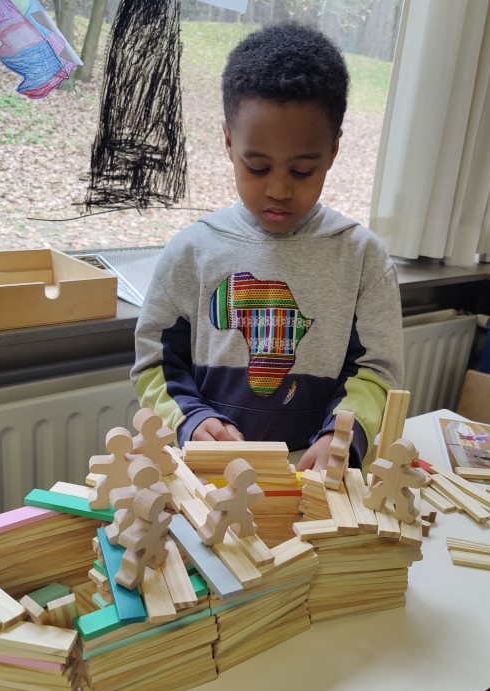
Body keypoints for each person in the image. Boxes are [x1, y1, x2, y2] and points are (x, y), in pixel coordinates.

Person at [131, 21, 404, 471]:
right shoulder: (192, 252)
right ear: (228, 142)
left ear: (333, 151)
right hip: (211, 475)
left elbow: (377, 371)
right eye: (257, 168)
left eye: (302, 171)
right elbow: (156, 363)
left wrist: (343, 435)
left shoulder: (363, 259)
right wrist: (191, 418)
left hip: (313, 481)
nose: (279, 190)